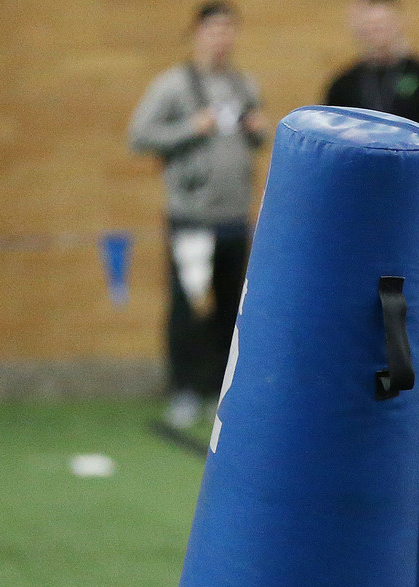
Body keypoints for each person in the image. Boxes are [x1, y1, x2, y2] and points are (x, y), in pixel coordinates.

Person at [129, 1, 267, 430]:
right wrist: (192, 127)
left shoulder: (245, 84)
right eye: (213, 30)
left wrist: (258, 129)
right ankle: (184, 390)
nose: (221, 38)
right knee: (187, 306)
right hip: (190, 218)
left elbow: (258, 140)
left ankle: (218, 390)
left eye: (228, 30)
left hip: (233, 216)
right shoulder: (174, 85)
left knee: (231, 308)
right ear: (196, 34)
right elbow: (139, 136)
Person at [324, 0, 419, 179]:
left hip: (414, 175)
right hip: (358, 176)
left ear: (399, 24)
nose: (377, 33)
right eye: (371, 26)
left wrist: (414, 145)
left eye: (382, 25)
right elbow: (327, 134)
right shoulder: (343, 83)